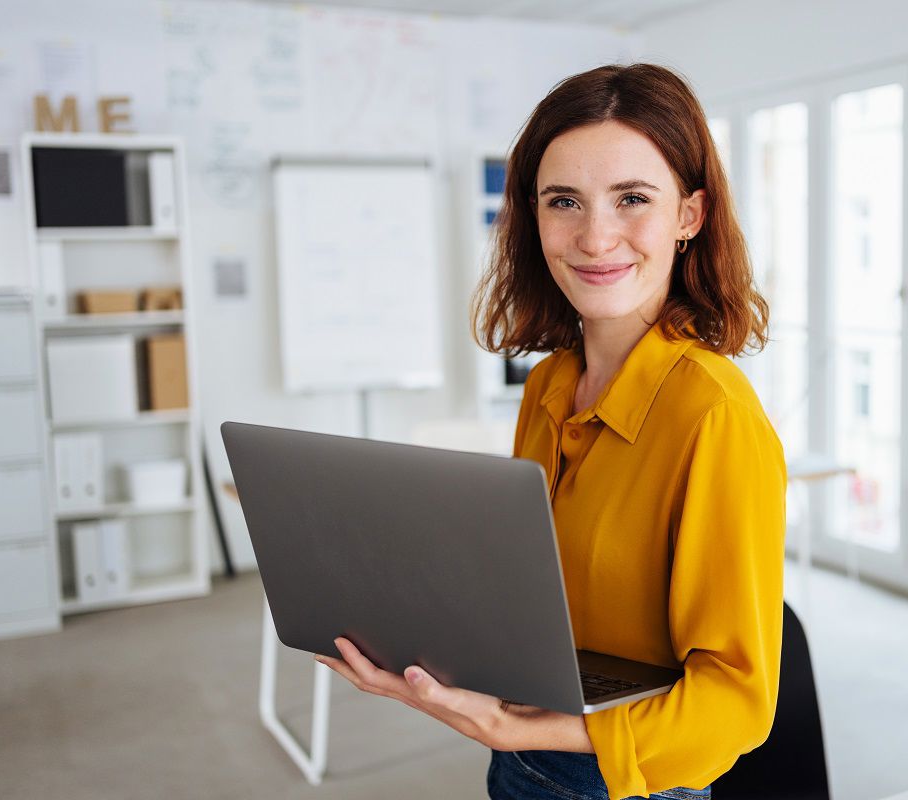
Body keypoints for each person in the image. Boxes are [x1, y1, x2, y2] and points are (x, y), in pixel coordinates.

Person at [315, 63, 787, 800]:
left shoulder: (714, 416)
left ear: (689, 217)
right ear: (532, 219)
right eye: (564, 201)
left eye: (633, 199)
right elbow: (537, 597)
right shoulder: (548, 385)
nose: (596, 237)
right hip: (520, 762)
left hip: (631, 782)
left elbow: (736, 708)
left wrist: (529, 730)